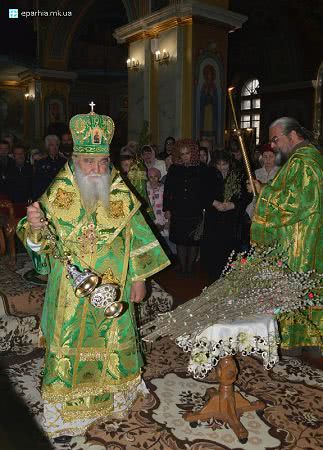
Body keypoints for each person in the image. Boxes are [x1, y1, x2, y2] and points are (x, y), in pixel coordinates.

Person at [17, 107, 170, 439]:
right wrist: (33, 227)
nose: (97, 169)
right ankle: (69, 412)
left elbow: (139, 234)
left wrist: (140, 278)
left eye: (103, 163)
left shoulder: (118, 189)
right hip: (71, 292)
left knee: (114, 340)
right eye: (89, 162)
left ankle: (117, 399)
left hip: (116, 284)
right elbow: (38, 240)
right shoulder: (57, 193)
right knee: (71, 340)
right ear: (75, 161)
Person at [249, 117, 323, 353]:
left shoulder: (304, 162)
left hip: (300, 242)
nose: (272, 146)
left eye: (275, 139)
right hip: (305, 237)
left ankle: (295, 341)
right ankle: (304, 340)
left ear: (292, 136)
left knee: (295, 287)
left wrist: (262, 190)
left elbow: (296, 203)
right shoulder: (303, 160)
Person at [201, 152, 251, 282]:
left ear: (230, 163)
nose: (222, 167)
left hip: (231, 219)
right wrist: (213, 202)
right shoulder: (207, 174)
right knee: (213, 251)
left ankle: (228, 277)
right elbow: (200, 193)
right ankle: (213, 278)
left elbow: (247, 196)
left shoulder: (238, 175)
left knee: (229, 250)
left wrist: (233, 205)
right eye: (219, 164)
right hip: (214, 218)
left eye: (224, 164)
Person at [163, 139, 206, 275]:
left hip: (195, 210)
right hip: (178, 210)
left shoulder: (202, 168)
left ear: (193, 153)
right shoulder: (174, 168)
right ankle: (183, 268)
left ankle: (190, 268)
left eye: (187, 153)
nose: (185, 156)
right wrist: (167, 209)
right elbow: (168, 190)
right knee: (180, 241)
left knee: (193, 241)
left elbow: (206, 190)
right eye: (182, 154)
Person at [32, 135, 66, 199]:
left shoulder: (64, 162)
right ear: (47, 147)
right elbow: (37, 184)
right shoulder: (40, 163)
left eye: (56, 145)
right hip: (45, 197)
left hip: (60, 197)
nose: (55, 147)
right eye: (51, 145)